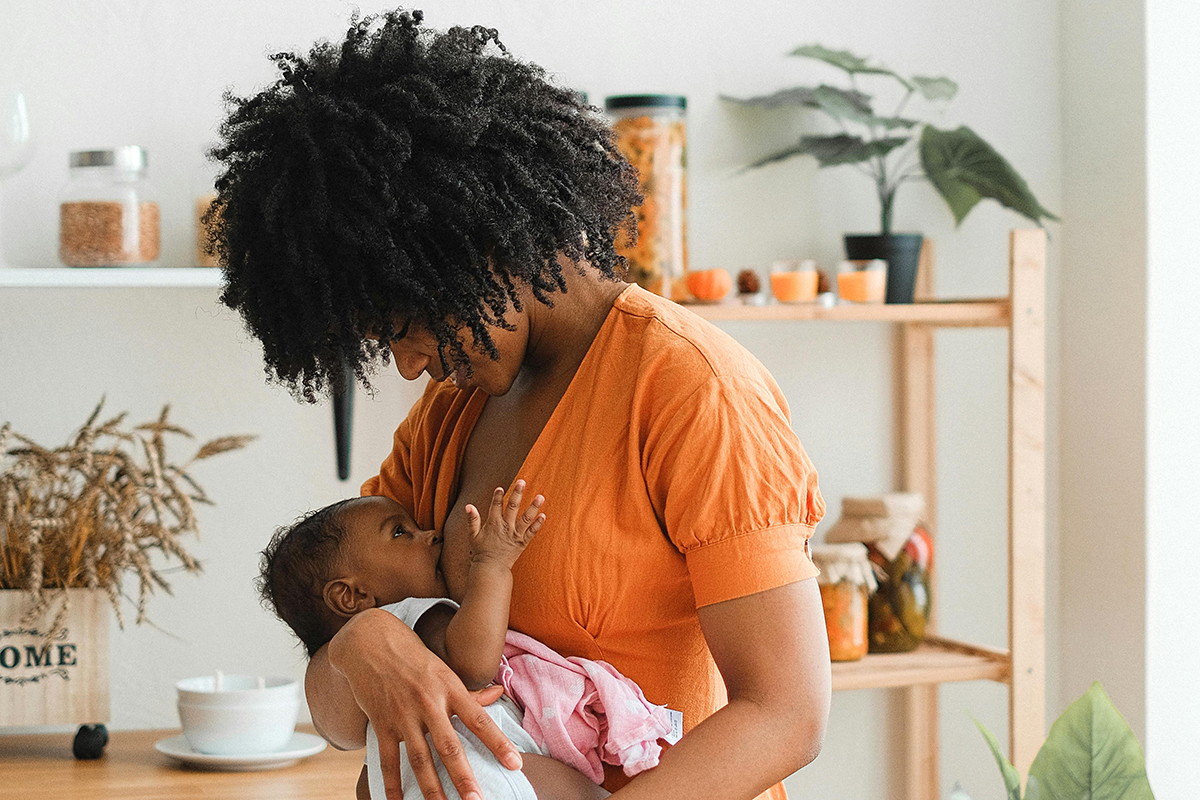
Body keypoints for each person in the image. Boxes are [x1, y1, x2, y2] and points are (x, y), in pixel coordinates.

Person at [209, 9, 831, 800]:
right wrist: (364, 643)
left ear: (473, 246)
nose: (408, 367)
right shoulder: (446, 419)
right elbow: (339, 719)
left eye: (405, 326)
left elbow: (787, 715)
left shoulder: (692, 389)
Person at [257, 483, 672, 800]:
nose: (431, 534)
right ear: (352, 596)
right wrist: (492, 566)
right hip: (478, 774)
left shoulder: (364, 682)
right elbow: (473, 665)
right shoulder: (410, 616)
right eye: (401, 533)